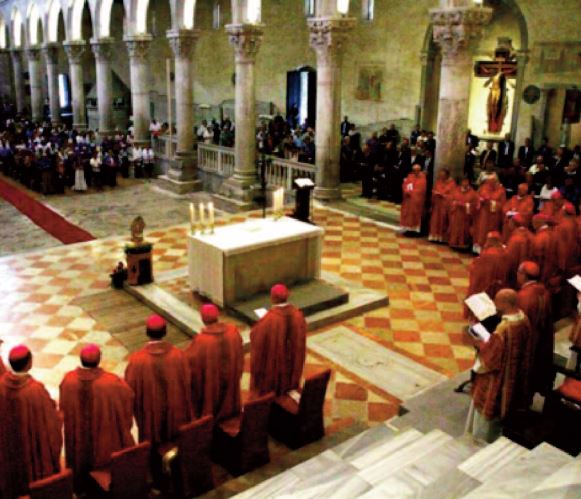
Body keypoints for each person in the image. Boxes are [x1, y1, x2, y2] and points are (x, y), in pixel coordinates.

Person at [60, 344, 135, 491]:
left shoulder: (68, 380)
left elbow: (63, 408)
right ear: (99, 360)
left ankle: (81, 488)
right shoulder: (111, 382)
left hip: (79, 437)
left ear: (81, 360)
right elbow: (128, 398)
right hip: (104, 438)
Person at [466, 289, 531, 443]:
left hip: (496, 381)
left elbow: (489, 361)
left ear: (504, 303)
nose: (494, 304)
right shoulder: (524, 319)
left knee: (487, 419)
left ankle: (480, 442)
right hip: (513, 376)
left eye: (496, 301)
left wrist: (479, 342)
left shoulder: (503, 329)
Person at [0, 345, 62, 498]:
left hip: (8, 442)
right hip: (31, 443)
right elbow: (50, 420)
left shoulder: (1, 385)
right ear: (29, 364)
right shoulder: (35, 390)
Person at [125, 315, 192, 446]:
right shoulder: (178, 355)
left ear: (147, 332)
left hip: (151, 415)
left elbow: (130, 391)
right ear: (165, 332)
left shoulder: (137, 361)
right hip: (175, 412)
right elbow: (187, 382)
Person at [185, 304, 243, 422]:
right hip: (231, 381)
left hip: (212, 385)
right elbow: (239, 355)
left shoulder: (202, 340)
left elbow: (191, 363)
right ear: (218, 316)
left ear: (203, 319)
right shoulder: (233, 332)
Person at [250, 284, 307, 397]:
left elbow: (255, 337)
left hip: (275, 368)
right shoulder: (298, 315)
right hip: (292, 364)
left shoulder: (269, 319)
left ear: (272, 298)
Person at [516, 262, 554, 399]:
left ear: (523, 276)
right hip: (540, 339)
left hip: (527, 343)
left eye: (518, 273)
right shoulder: (543, 290)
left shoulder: (523, 296)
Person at [465, 232, 508, 319]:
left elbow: (479, 270)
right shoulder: (504, 251)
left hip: (486, 283)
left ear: (492, 241)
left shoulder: (489, 254)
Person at [473, 175, 506, 253]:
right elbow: (477, 197)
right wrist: (480, 201)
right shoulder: (483, 187)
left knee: (489, 232)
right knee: (480, 230)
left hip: (493, 216)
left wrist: (491, 203)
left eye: (493, 182)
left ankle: (488, 249)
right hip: (482, 213)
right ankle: (479, 248)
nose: (490, 184)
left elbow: (503, 204)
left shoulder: (501, 190)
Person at [448, 177, 479, 250]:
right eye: (463, 181)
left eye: (466, 182)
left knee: (464, 229)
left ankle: (463, 245)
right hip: (456, 214)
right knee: (455, 228)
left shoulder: (473, 193)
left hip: (465, 215)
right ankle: (454, 243)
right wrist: (455, 203)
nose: (465, 183)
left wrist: (466, 205)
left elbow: (475, 204)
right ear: (461, 182)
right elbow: (451, 200)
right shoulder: (455, 190)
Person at [505, 214, 534, 287]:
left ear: (513, 224)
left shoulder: (515, 239)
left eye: (509, 222)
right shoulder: (531, 235)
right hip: (528, 272)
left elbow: (510, 259)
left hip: (516, 274)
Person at [428, 168, 456, 243]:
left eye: (443, 176)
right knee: (435, 221)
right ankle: (434, 236)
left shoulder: (452, 183)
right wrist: (435, 193)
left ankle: (443, 238)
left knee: (443, 221)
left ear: (447, 175)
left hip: (445, 206)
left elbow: (453, 196)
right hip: (437, 205)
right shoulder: (438, 181)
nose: (441, 177)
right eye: (440, 176)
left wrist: (443, 195)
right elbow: (434, 190)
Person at [400, 164, 427, 235]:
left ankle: (414, 230)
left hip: (416, 201)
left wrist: (411, 193)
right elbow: (405, 185)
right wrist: (406, 191)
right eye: (414, 170)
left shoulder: (423, 179)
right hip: (408, 200)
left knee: (414, 215)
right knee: (407, 214)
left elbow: (421, 190)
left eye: (417, 170)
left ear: (419, 170)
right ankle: (408, 229)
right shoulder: (410, 176)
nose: (415, 172)